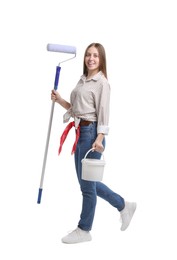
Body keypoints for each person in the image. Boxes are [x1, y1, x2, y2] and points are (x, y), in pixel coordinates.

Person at [51, 42, 137, 244]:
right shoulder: (83, 80)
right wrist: (60, 100)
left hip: (91, 134)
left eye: (95, 56)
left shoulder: (102, 83)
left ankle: (84, 229)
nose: (91, 58)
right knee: (87, 183)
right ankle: (124, 205)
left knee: (87, 186)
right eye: (88, 55)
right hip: (80, 131)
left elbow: (103, 113)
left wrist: (99, 139)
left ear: (101, 60)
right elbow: (77, 109)